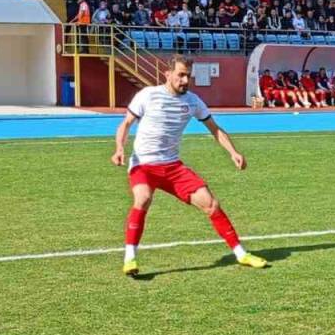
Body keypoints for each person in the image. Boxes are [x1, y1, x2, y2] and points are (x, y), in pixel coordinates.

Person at [112, 56, 267, 277]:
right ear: (168, 74)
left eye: (188, 76)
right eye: (181, 75)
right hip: (143, 165)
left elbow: (215, 128)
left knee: (211, 204)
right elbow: (125, 123)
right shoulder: (148, 95)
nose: (185, 80)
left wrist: (233, 152)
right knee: (143, 199)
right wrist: (119, 149)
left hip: (173, 167)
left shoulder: (193, 101)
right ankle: (130, 258)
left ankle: (241, 254)